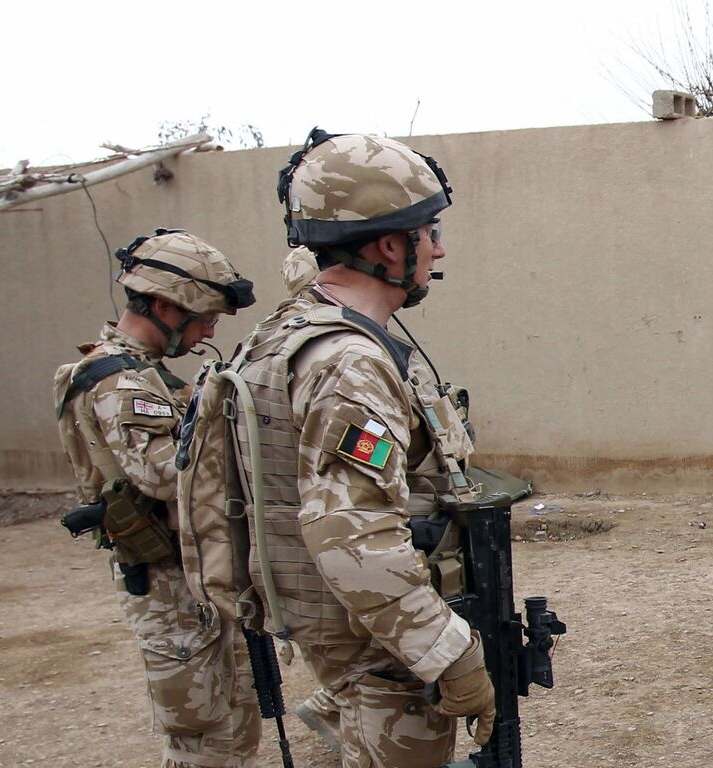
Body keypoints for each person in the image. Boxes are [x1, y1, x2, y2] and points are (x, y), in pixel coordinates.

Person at [207, 127, 492, 766]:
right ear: (391, 245)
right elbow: (354, 538)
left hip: (343, 627)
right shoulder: (348, 363)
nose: (438, 250)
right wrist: (452, 653)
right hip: (375, 641)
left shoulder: (286, 331)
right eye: (431, 234)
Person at [52, 228, 261, 767]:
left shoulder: (150, 376)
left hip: (193, 573)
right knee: (201, 736)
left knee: (234, 721)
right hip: (167, 582)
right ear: (167, 306)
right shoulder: (118, 382)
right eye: (205, 319)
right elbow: (167, 475)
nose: (208, 332)